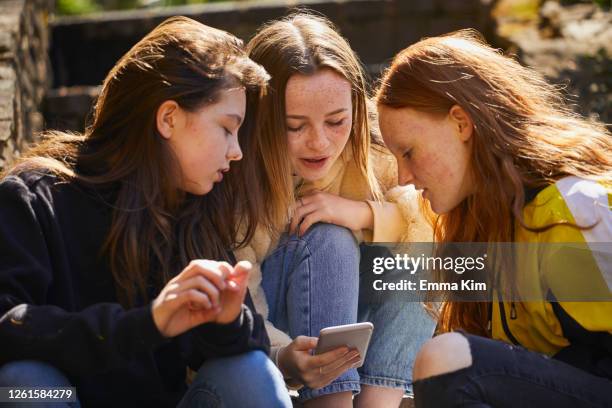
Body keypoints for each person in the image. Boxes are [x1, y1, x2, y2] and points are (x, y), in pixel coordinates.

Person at [0, 16, 292, 408]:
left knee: (249, 370)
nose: (237, 151)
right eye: (227, 128)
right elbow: (7, 327)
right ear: (168, 118)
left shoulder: (194, 209)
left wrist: (226, 320)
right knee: (24, 383)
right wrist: (148, 323)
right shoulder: (35, 198)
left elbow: (242, 348)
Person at [375, 29, 612, 407]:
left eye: (408, 152)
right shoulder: (484, 224)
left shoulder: (573, 210)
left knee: (447, 361)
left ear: (460, 123)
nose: (403, 177)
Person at [235, 13, 435, 407]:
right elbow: (238, 295)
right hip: (274, 332)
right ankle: (332, 401)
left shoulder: (373, 149)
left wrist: (363, 214)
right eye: (295, 126)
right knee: (328, 238)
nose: (319, 142)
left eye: (336, 121)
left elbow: (441, 232)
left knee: (422, 259)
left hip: (363, 330)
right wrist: (281, 353)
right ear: (261, 120)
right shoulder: (237, 173)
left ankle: (381, 398)